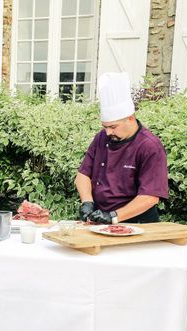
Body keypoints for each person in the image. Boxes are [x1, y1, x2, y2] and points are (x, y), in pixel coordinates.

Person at [75, 72, 168, 224]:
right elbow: (83, 175)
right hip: (101, 220)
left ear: (130, 119)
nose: (108, 132)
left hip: (137, 224)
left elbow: (150, 197)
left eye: (113, 127)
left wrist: (113, 216)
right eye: (105, 127)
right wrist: (87, 202)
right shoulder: (102, 137)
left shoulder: (150, 146)